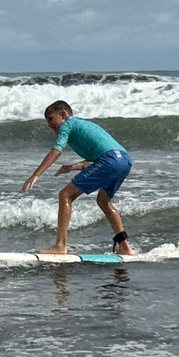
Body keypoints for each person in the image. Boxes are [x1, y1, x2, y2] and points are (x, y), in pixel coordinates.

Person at [21, 100, 133, 255]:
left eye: (51, 119)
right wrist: (72, 167)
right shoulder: (83, 125)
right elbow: (98, 159)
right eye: (47, 122)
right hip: (124, 160)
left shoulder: (68, 125)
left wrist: (36, 174)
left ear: (63, 115)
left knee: (65, 195)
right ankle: (125, 247)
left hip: (110, 159)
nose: (50, 125)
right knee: (103, 201)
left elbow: (57, 150)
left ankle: (60, 246)